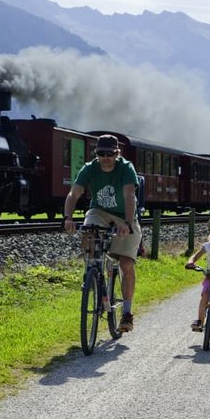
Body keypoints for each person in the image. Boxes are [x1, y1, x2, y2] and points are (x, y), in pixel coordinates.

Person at [63, 134, 142, 333]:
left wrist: (126, 222)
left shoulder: (126, 168)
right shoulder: (89, 168)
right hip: (99, 212)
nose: (106, 158)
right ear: (96, 154)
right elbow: (74, 193)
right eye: (101, 154)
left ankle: (126, 312)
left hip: (124, 215)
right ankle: (91, 273)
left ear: (117, 153)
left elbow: (129, 194)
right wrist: (68, 217)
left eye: (110, 154)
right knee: (89, 234)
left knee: (126, 263)